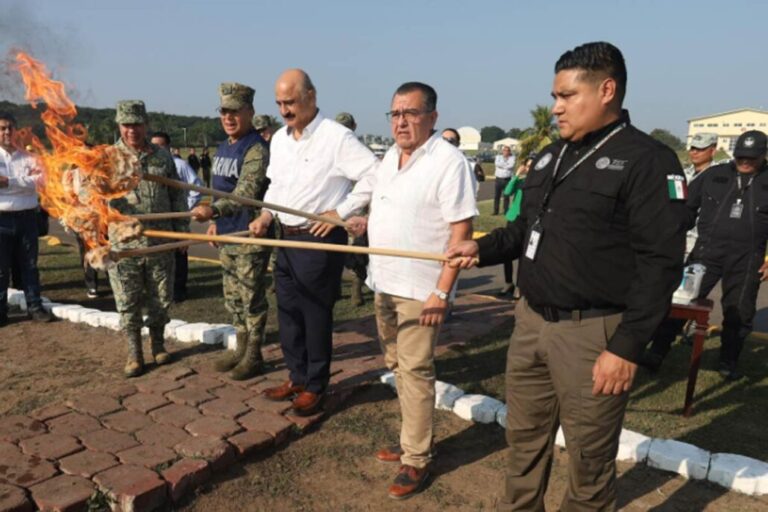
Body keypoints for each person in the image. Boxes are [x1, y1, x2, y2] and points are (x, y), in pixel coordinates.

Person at [447, 42, 687, 510]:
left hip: (594, 333)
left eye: (566, 96)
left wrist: (627, 346)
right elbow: (524, 230)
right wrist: (481, 247)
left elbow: (662, 262)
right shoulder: (550, 156)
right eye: (554, 96)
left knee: (589, 460)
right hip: (531, 322)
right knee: (522, 441)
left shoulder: (647, 160)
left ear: (607, 91)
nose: (555, 107)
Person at [345, 82, 477, 500]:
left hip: (421, 290)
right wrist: (357, 219)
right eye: (395, 113)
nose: (401, 121)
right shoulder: (389, 157)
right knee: (398, 366)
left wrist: (442, 292)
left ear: (432, 118)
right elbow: (380, 203)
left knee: (415, 371)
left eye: (411, 113)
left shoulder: (448, 161)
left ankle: (416, 458)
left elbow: (461, 230)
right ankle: (411, 440)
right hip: (384, 281)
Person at [248, 69, 378, 416]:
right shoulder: (279, 139)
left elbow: (374, 173)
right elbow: (275, 185)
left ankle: (317, 384)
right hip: (286, 238)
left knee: (314, 313)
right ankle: (297, 377)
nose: (284, 110)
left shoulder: (336, 137)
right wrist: (265, 215)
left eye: (290, 102)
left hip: (319, 239)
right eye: (279, 103)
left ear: (311, 97)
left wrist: (341, 211)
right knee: (288, 311)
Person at [643, 130, 768, 380]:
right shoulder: (714, 175)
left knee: (739, 311)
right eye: (740, 156)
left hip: (747, 258)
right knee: (681, 302)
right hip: (706, 252)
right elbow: (685, 211)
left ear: (764, 156)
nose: (744, 162)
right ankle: (657, 352)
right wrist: (669, 236)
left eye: (751, 158)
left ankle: (728, 360)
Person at [190, 83, 272, 381]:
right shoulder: (224, 146)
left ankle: (254, 354)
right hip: (226, 232)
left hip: (249, 234)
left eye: (235, 111)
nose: (229, 117)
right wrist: (215, 220)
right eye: (224, 111)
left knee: (251, 296)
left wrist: (213, 211)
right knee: (233, 296)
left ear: (249, 112)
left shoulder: (255, 148)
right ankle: (240, 347)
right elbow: (219, 188)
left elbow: (245, 191)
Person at [108, 100, 189, 377]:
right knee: (127, 301)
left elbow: (177, 195)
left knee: (160, 297)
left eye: (137, 124)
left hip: (160, 242)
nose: (132, 130)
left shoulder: (162, 157)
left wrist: (182, 232)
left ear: (146, 124)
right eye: (126, 124)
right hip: (124, 244)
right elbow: (90, 196)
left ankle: (158, 344)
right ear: (119, 125)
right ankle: (134, 353)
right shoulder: (108, 158)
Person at [0, 111, 52, 326]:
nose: (6, 132)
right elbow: (30, 182)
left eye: (10, 127)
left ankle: (34, 305)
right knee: (0, 268)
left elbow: (41, 182)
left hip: (28, 218)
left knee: (29, 265)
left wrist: (9, 183)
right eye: (2, 128)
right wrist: (25, 182)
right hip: (1, 220)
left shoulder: (31, 157)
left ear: (17, 130)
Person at [150, 131, 203, 303]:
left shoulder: (179, 164)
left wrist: (184, 210)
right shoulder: (151, 166)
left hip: (177, 217)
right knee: (161, 255)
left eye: (160, 145)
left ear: (168, 147)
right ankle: (162, 290)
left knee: (180, 252)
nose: (156, 148)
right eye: (153, 145)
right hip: (159, 220)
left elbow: (196, 187)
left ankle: (179, 290)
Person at [335, 111, 367, 307]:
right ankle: (355, 291)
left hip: (344, 209)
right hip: (349, 209)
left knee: (343, 250)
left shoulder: (330, 147)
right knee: (356, 252)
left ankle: (350, 291)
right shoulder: (360, 149)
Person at [499, 153, 534, 296]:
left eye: (532, 166)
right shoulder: (520, 181)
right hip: (514, 218)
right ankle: (508, 283)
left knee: (523, 255)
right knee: (507, 252)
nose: (529, 168)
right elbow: (507, 192)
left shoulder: (540, 182)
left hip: (528, 220)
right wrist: (516, 175)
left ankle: (520, 286)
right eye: (527, 166)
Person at [493, 145, 516, 215]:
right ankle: (495, 211)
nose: (506, 152)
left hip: (507, 180)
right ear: (502, 151)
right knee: (497, 196)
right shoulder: (498, 157)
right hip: (498, 179)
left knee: (506, 196)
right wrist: (506, 165)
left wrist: (502, 165)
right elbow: (497, 164)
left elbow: (511, 166)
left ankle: (506, 211)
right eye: (504, 150)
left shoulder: (513, 158)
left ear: (509, 152)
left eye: (507, 151)